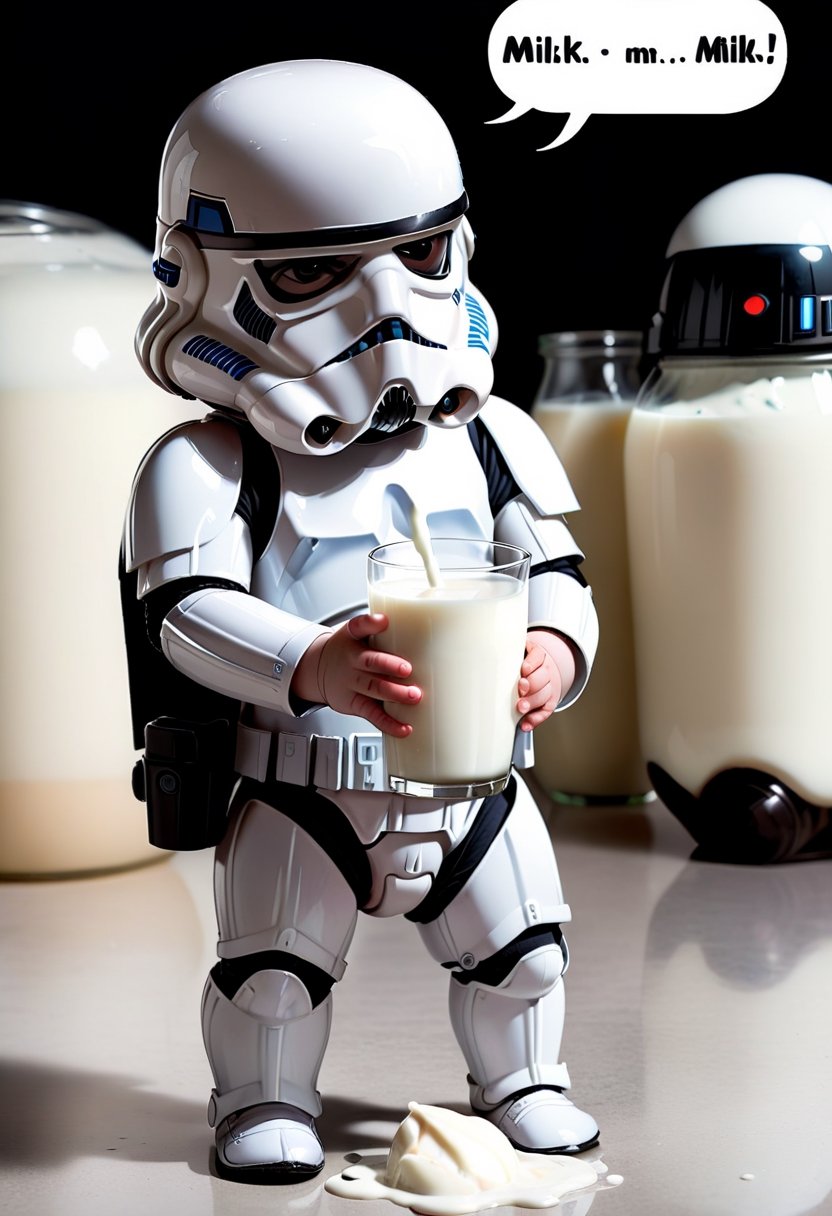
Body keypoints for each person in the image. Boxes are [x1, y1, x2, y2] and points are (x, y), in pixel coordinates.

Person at [120, 58, 600, 1184]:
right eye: (311, 273)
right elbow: (184, 613)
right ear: (204, 272)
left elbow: (557, 572)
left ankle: (524, 1081)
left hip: (477, 777)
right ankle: (265, 1097)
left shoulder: (491, 439)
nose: (381, 310)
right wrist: (311, 662)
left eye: (418, 258)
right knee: (273, 973)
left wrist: (557, 652)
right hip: (300, 780)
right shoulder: (208, 463)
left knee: (525, 955)